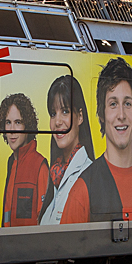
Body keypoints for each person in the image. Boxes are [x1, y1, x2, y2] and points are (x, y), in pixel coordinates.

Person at [58, 58, 132, 223]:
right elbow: (66, 247)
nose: (121, 115)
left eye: (127, 103)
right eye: (113, 104)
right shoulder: (83, 189)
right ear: (101, 115)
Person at [39, 74, 96, 225]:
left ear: (80, 116)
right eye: (53, 113)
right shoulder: (54, 174)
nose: (57, 122)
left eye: (65, 111)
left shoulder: (90, 175)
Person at [0, 93, 49, 227]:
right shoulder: (11, 163)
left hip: (29, 246)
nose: (12, 130)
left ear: (28, 126)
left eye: (18, 122)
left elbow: (44, 221)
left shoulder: (40, 165)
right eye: (8, 123)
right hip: (8, 244)